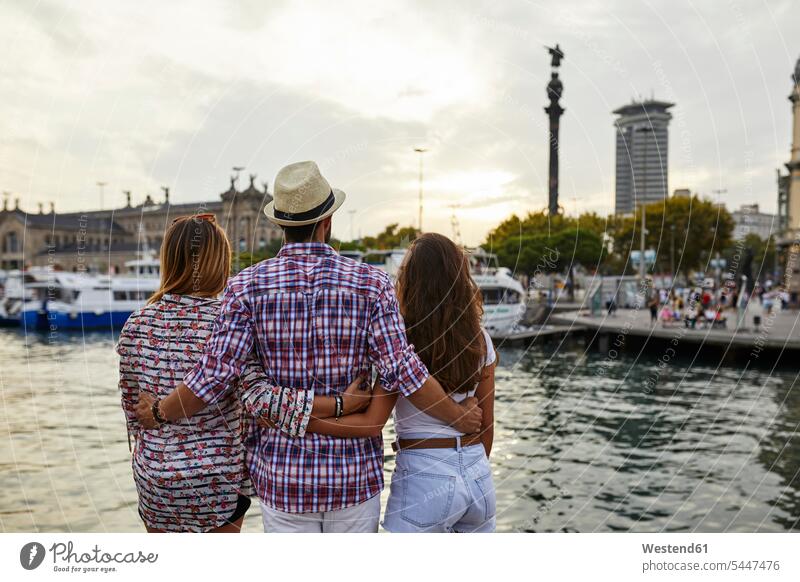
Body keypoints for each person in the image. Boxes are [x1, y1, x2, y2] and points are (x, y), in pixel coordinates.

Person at [135, 161, 481, 533]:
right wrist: (457, 416)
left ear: (280, 225)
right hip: (353, 478)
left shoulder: (245, 288)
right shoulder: (372, 284)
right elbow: (402, 369)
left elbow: (216, 376)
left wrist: (158, 411)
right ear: (327, 222)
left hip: (284, 480)